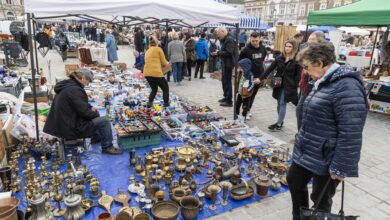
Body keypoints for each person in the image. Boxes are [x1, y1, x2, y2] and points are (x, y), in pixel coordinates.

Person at [288, 42, 369, 220]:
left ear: (319, 62)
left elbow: (351, 132)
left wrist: (341, 166)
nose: (306, 72)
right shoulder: (323, 80)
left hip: (327, 155)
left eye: (306, 67)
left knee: (321, 198)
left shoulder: (346, 85)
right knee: (294, 181)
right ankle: (300, 217)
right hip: (309, 148)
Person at [43, 69, 123, 155]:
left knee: (96, 115)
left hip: (63, 124)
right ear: (84, 78)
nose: (88, 84)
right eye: (88, 81)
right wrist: (95, 113)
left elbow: (77, 104)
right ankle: (108, 147)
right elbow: (85, 113)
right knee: (104, 121)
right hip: (69, 127)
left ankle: (95, 138)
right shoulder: (75, 90)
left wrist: (90, 107)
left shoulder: (69, 85)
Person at [262, 40, 301, 131]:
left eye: (290, 46)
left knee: (283, 103)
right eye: (286, 46)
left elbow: (299, 74)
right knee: (279, 103)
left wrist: (295, 84)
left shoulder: (297, 60)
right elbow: (270, 69)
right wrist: (261, 78)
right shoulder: (280, 58)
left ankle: (278, 124)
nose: (287, 48)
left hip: (289, 86)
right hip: (278, 83)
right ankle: (281, 121)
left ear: (294, 48)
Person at [296, 31, 326, 130]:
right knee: (300, 110)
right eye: (308, 39)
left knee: (303, 110)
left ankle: (302, 133)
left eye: (312, 40)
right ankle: (300, 133)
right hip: (305, 85)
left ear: (320, 41)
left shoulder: (323, 53)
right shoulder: (307, 50)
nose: (309, 42)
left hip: (314, 86)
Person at [238, 32, 267, 120]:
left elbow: (262, 60)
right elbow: (239, 61)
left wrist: (262, 76)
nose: (255, 43)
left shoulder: (263, 48)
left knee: (253, 94)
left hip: (259, 76)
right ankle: (244, 111)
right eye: (253, 41)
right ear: (250, 39)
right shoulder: (245, 50)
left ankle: (248, 110)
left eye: (256, 41)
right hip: (248, 76)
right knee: (246, 94)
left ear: (259, 39)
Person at [144, 36, 171, 107]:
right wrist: (169, 64)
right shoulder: (158, 49)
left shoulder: (147, 51)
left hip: (147, 73)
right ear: (156, 43)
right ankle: (166, 104)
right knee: (165, 88)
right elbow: (164, 62)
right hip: (156, 73)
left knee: (154, 89)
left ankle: (149, 103)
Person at [212, 27, 236, 107]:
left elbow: (229, 52)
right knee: (224, 80)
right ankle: (226, 97)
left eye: (219, 34)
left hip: (228, 64)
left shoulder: (229, 39)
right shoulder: (225, 39)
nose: (218, 36)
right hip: (225, 63)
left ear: (223, 31)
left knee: (227, 81)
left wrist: (218, 53)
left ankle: (229, 100)